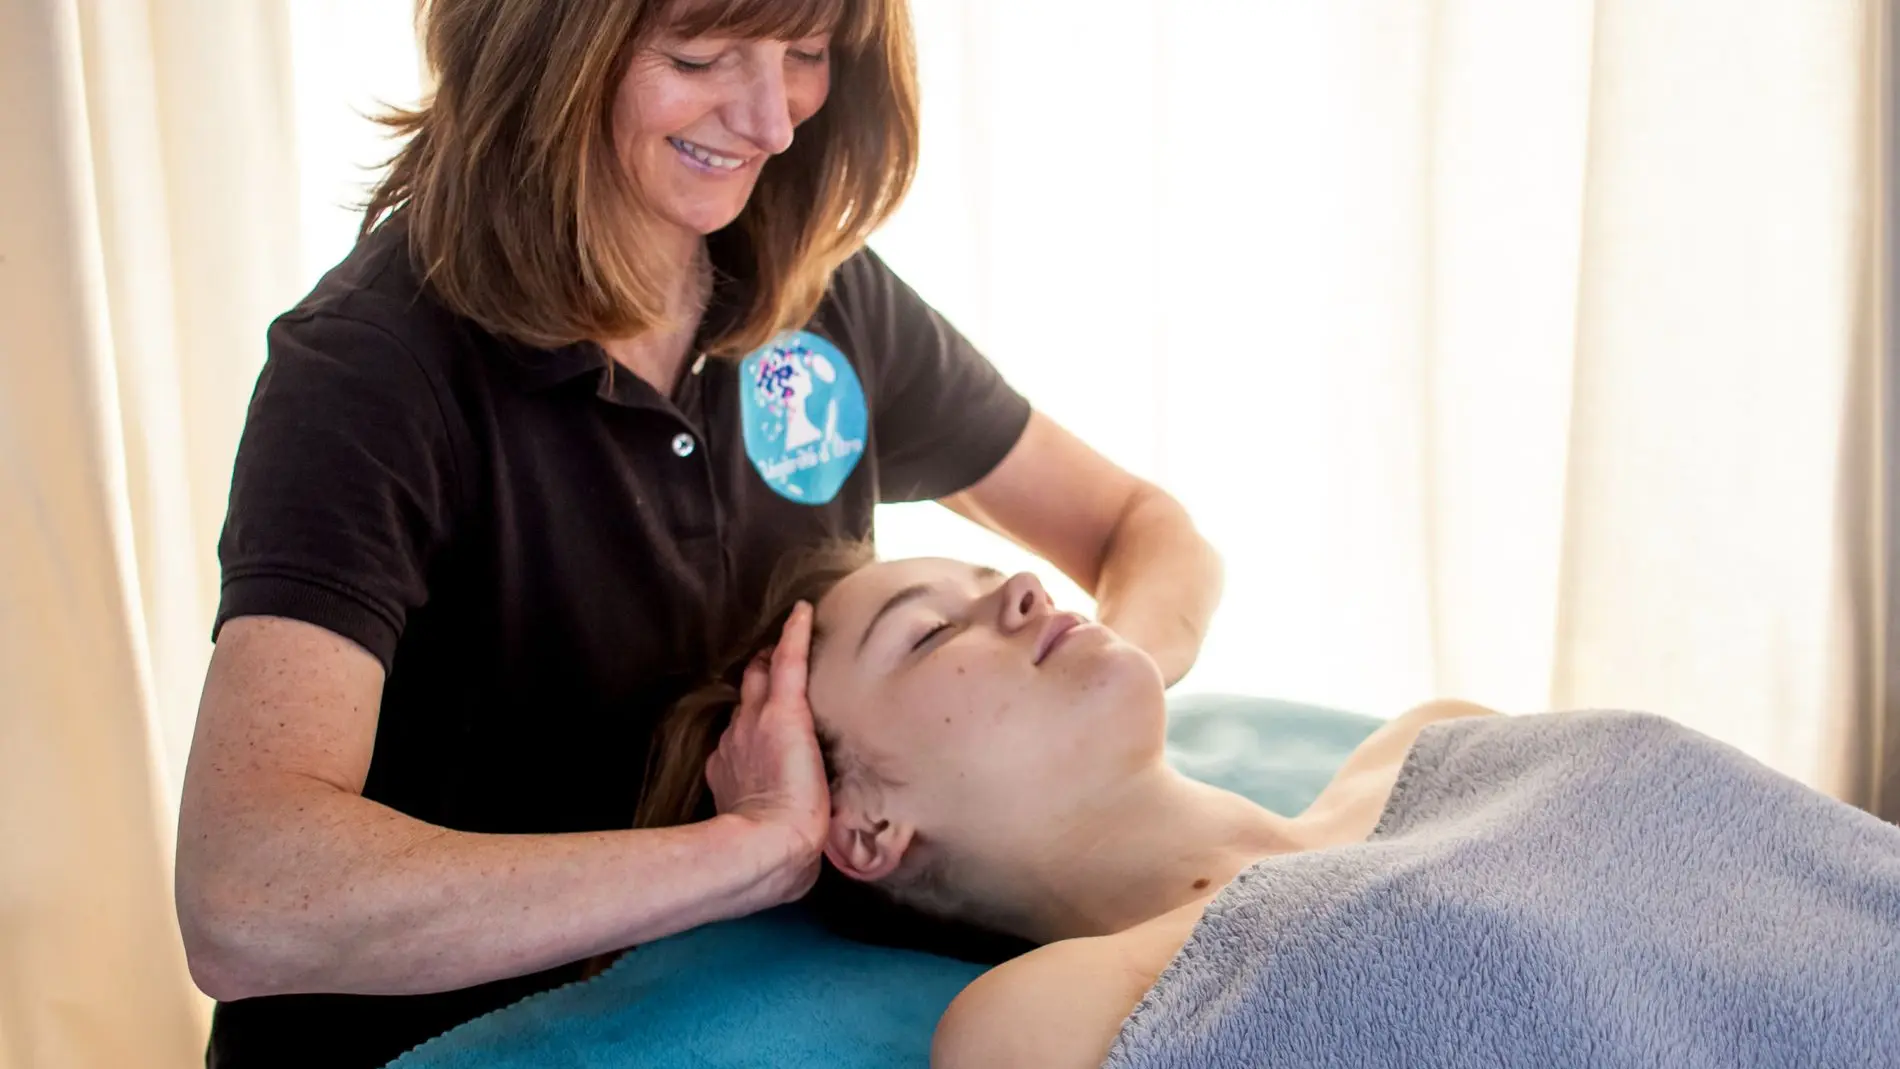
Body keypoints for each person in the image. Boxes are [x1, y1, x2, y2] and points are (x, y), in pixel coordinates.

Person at [172, 1, 1221, 1065]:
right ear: (542, 47)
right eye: (700, 55)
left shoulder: (808, 292)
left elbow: (1142, 528)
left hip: (720, 1009)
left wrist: (1105, 679)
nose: (772, 121)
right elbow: (245, 896)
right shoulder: (375, 372)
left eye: (805, 55)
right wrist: (746, 856)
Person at [638, 546, 1900, 1069]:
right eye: (930, 634)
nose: (1019, 589)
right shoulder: (1039, 1015)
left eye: (989, 573)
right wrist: (758, 840)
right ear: (864, 829)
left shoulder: (1434, 736)